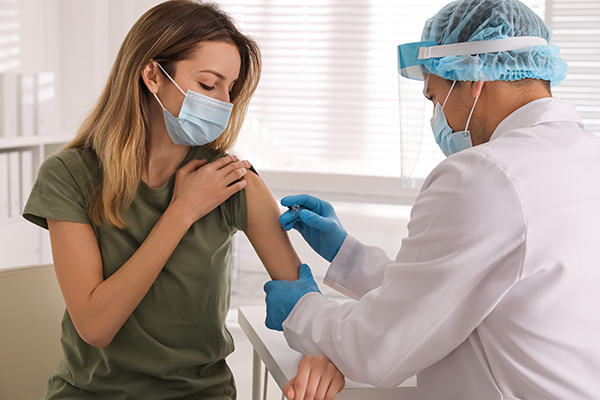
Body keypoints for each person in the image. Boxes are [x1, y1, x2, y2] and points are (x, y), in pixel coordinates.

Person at [264, 0, 600, 399]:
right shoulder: (585, 156)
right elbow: (464, 286)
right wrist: (347, 254)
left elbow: (379, 348)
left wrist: (301, 310)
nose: (438, 119)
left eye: (435, 98)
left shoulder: (483, 175)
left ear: (474, 78)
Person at [22, 1, 343, 399]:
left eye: (231, 88)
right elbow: (96, 327)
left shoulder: (234, 181)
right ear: (152, 74)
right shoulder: (69, 175)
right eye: (210, 85)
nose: (224, 102)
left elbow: (301, 300)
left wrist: (324, 354)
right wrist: (182, 211)